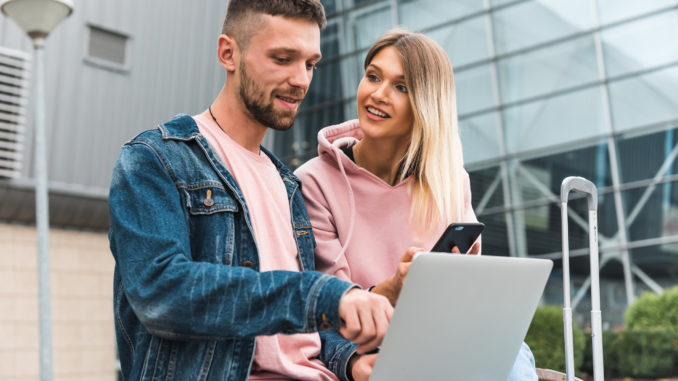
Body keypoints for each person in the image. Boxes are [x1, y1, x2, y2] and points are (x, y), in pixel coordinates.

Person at [107, 1, 394, 380]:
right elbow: (164, 293)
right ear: (228, 53)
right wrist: (323, 295)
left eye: (310, 64)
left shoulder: (289, 185)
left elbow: (303, 334)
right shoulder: (156, 160)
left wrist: (352, 362)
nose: (301, 80)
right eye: (283, 58)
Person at [295, 29, 538, 381]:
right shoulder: (314, 182)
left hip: (445, 336)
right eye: (373, 76)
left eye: (401, 87)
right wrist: (394, 288)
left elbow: (465, 298)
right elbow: (327, 307)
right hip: (365, 349)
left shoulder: (450, 181)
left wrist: (466, 283)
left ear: (426, 104)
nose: (377, 94)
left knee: (513, 357)